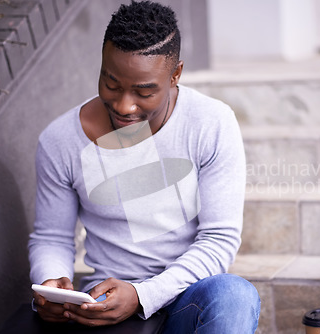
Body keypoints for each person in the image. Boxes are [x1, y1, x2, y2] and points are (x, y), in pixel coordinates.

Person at [28, 1, 260, 333]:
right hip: (103, 303)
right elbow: (52, 237)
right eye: (111, 84)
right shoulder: (59, 140)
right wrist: (51, 285)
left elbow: (218, 239)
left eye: (144, 91)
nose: (124, 105)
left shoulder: (210, 123)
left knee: (234, 295)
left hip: (184, 297)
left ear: (176, 73)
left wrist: (142, 295)